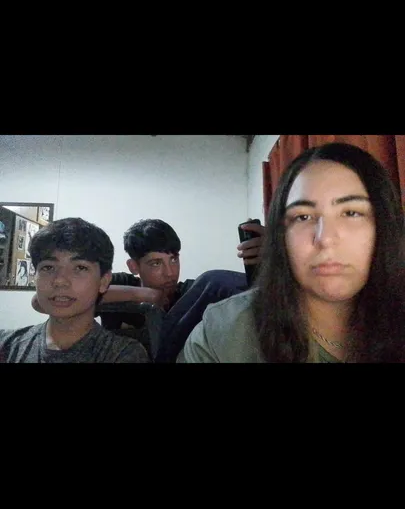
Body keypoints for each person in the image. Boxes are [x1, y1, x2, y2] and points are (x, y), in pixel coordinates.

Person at [178, 143, 405, 363]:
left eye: (351, 213)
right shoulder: (223, 335)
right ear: (280, 236)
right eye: (303, 217)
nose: (325, 238)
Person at [32, 218, 265, 361]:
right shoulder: (121, 282)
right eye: (155, 263)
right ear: (134, 266)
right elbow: (39, 302)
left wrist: (273, 258)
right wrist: (141, 294)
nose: (169, 272)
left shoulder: (191, 293)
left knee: (214, 282)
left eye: (173, 259)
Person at [0, 217, 149, 363]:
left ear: (103, 281)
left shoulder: (123, 354)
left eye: (80, 268)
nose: (59, 280)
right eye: (48, 267)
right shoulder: (7, 344)